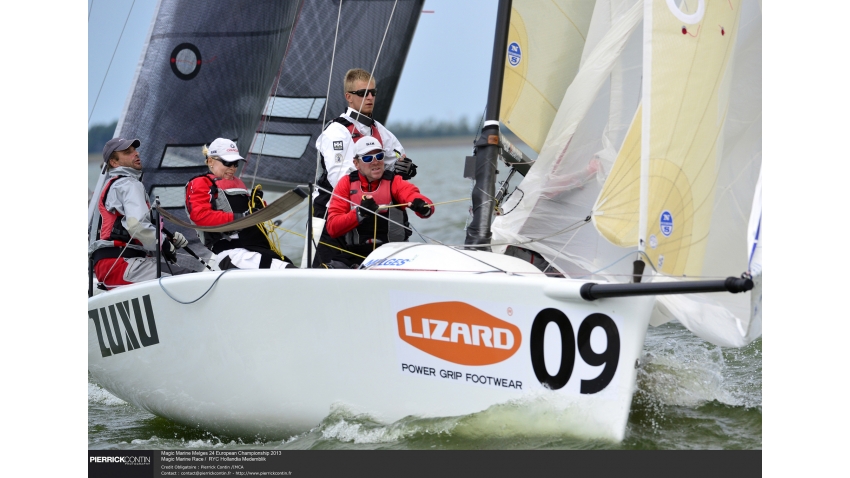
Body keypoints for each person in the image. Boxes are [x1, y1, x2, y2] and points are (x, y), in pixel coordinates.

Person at [311, 68, 418, 267]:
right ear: (349, 97)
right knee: (326, 272)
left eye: (373, 93)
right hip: (333, 213)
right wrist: (386, 172)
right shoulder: (336, 132)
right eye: (363, 93)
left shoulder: (379, 130)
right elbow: (340, 179)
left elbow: (397, 157)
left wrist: (405, 167)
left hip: (371, 211)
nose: (370, 97)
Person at [89, 138, 192, 289]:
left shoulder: (111, 185)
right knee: (193, 279)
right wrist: (163, 242)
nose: (136, 153)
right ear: (114, 162)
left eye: (134, 150)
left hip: (106, 268)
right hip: (123, 265)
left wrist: (168, 239)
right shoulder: (128, 184)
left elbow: (128, 228)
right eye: (127, 152)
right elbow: (137, 225)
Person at [324, 136, 434, 267]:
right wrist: (360, 213)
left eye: (379, 156)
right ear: (356, 163)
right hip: (356, 255)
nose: (375, 162)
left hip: (395, 254)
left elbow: (414, 196)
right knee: (330, 268)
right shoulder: (346, 184)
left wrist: (423, 207)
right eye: (367, 158)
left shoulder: (394, 181)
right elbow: (332, 228)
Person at [185, 138, 293, 270]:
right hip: (233, 253)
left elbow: (249, 212)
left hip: (255, 249)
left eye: (235, 163)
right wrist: (241, 218)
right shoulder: (201, 182)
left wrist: (259, 205)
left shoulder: (238, 184)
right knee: (289, 272)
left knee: (290, 268)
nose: (232, 168)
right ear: (210, 161)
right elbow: (200, 216)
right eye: (227, 162)